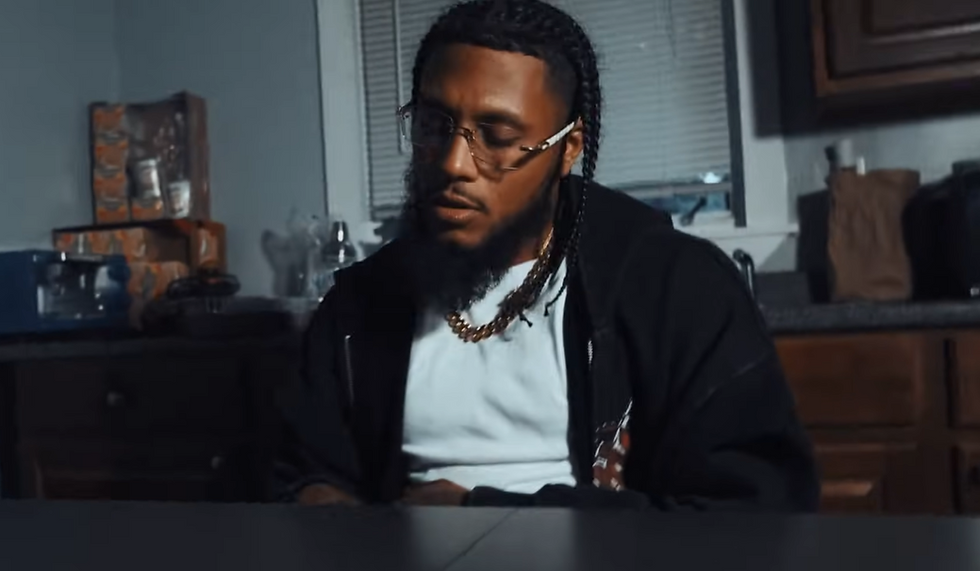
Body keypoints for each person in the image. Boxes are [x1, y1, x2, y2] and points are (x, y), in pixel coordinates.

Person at [275, 0, 819, 511]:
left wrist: (476, 513)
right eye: (434, 126)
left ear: (568, 149)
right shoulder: (359, 305)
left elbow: (754, 509)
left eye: (497, 136)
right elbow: (298, 471)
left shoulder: (676, 289)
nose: (453, 164)